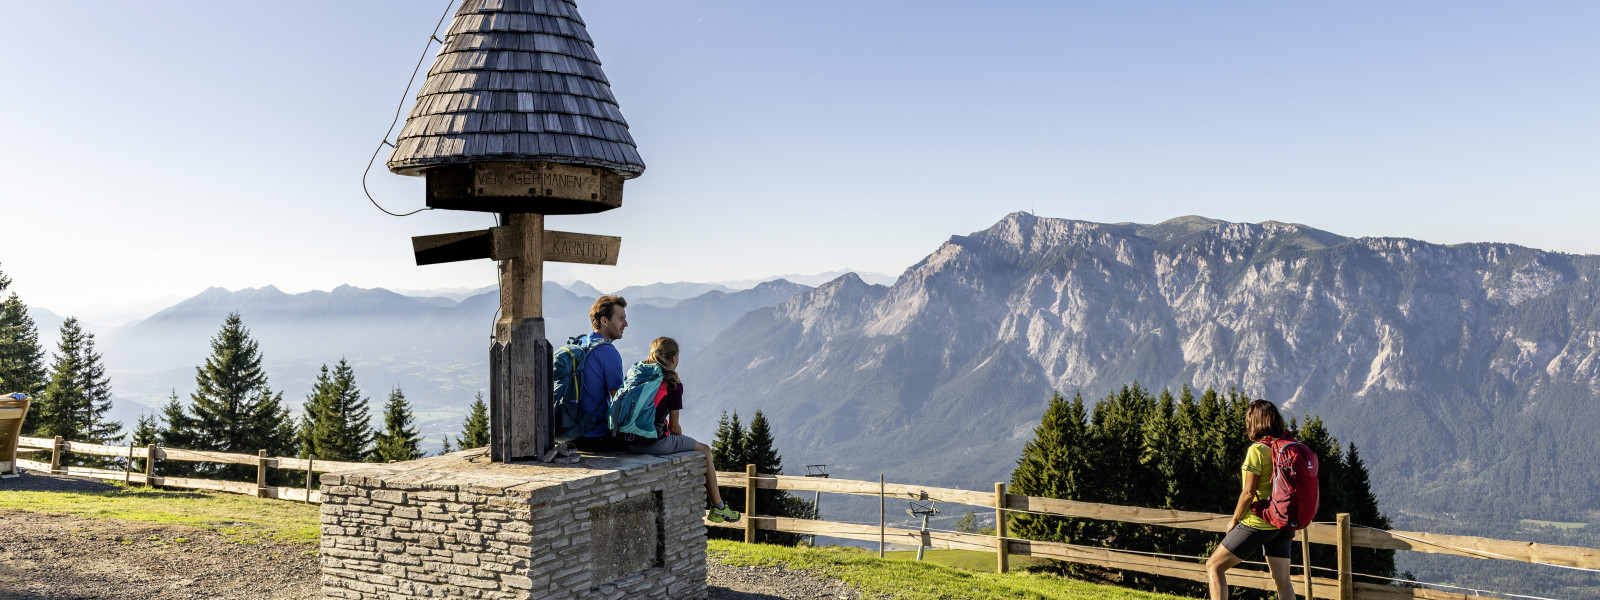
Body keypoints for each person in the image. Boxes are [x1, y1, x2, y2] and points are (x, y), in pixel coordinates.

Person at [624, 336, 740, 523]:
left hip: (627, 440)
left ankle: (719, 507)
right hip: (653, 442)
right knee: (705, 450)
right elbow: (674, 427)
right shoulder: (673, 384)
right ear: (674, 359)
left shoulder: (637, 374)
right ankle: (719, 507)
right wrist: (683, 438)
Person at [1206, 399, 1298, 600]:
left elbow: (1248, 493)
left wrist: (1234, 520)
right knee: (1283, 581)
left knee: (1214, 566)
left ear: (1253, 422)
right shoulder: (1286, 448)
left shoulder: (1257, 450)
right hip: (1283, 522)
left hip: (1259, 522)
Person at [572, 295, 627, 453]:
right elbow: (618, 402)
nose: (625, 324)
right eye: (621, 318)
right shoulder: (607, 352)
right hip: (596, 437)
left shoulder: (581, 342)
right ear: (604, 321)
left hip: (571, 433)